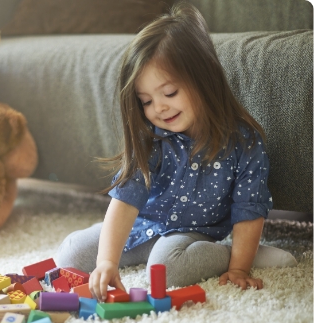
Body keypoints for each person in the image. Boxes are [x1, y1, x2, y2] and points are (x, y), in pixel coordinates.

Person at [55, 3, 297, 302]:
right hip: (146, 225)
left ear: (204, 78)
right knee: (70, 254)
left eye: (169, 93)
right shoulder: (153, 139)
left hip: (194, 234)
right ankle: (137, 250)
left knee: (167, 269)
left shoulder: (244, 143)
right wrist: (107, 261)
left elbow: (249, 209)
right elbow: (125, 203)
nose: (159, 108)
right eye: (146, 101)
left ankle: (236, 254)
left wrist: (239, 266)